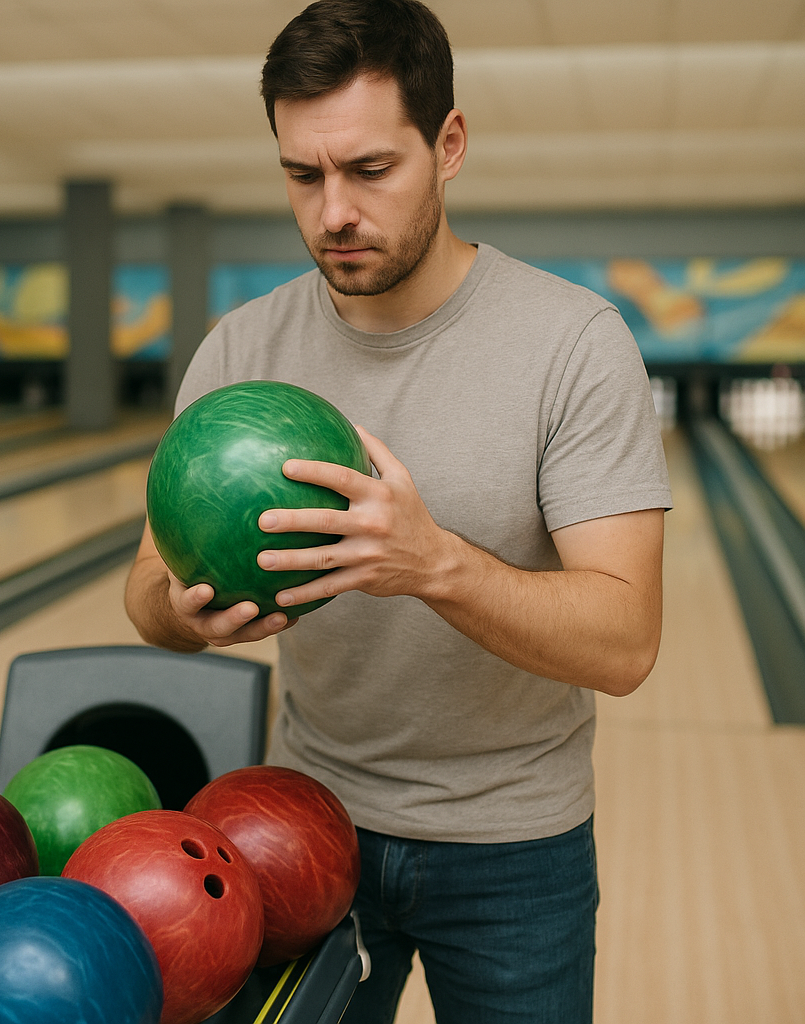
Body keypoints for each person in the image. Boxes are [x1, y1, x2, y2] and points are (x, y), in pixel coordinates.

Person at [125, 1, 672, 1020]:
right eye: (302, 174)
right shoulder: (241, 350)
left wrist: (434, 564)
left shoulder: (572, 344)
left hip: (516, 847)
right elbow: (145, 589)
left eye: (370, 169)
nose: (333, 211)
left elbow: (626, 642)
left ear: (448, 144)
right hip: (297, 825)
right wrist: (182, 617)